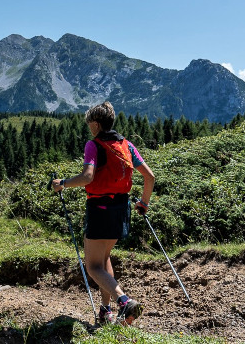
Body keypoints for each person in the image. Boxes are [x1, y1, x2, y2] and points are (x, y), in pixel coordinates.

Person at [52, 101, 155, 326]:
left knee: (93, 266)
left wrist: (63, 183)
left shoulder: (94, 145)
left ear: (97, 124)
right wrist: (144, 204)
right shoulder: (127, 145)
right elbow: (150, 177)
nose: (89, 128)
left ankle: (124, 301)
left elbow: (88, 177)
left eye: (90, 124)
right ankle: (106, 311)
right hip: (121, 210)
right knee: (104, 259)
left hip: (99, 210)